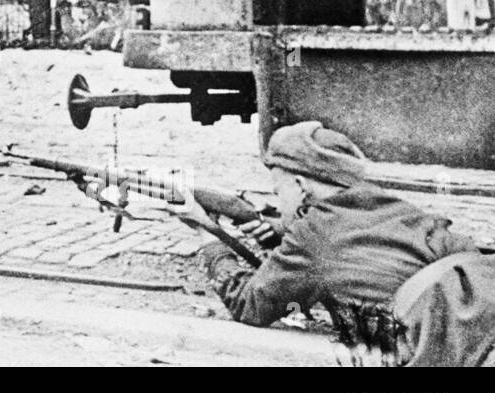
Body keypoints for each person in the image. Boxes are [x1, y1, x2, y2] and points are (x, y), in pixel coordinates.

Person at [172, 121, 495, 366]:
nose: (277, 198)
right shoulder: (393, 206)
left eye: (277, 189)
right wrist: (280, 238)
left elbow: (249, 306)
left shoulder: (312, 236)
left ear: (300, 186)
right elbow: (366, 251)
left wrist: (207, 235)